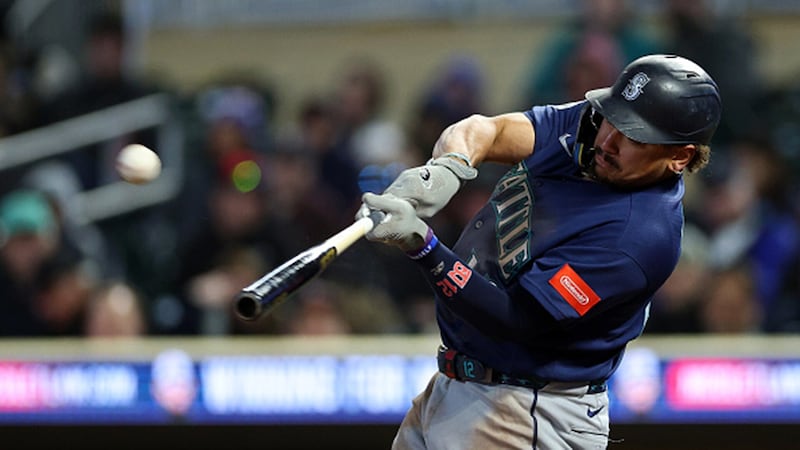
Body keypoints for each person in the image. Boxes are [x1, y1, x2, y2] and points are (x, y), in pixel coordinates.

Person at [357, 54, 721, 449]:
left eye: (633, 136)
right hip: (460, 385)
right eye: (612, 119)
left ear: (680, 156)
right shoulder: (592, 128)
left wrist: (423, 246)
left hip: (528, 413)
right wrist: (447, 168)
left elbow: (513, 318)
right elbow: (489, 131)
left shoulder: (640, 237)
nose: (608, 140)